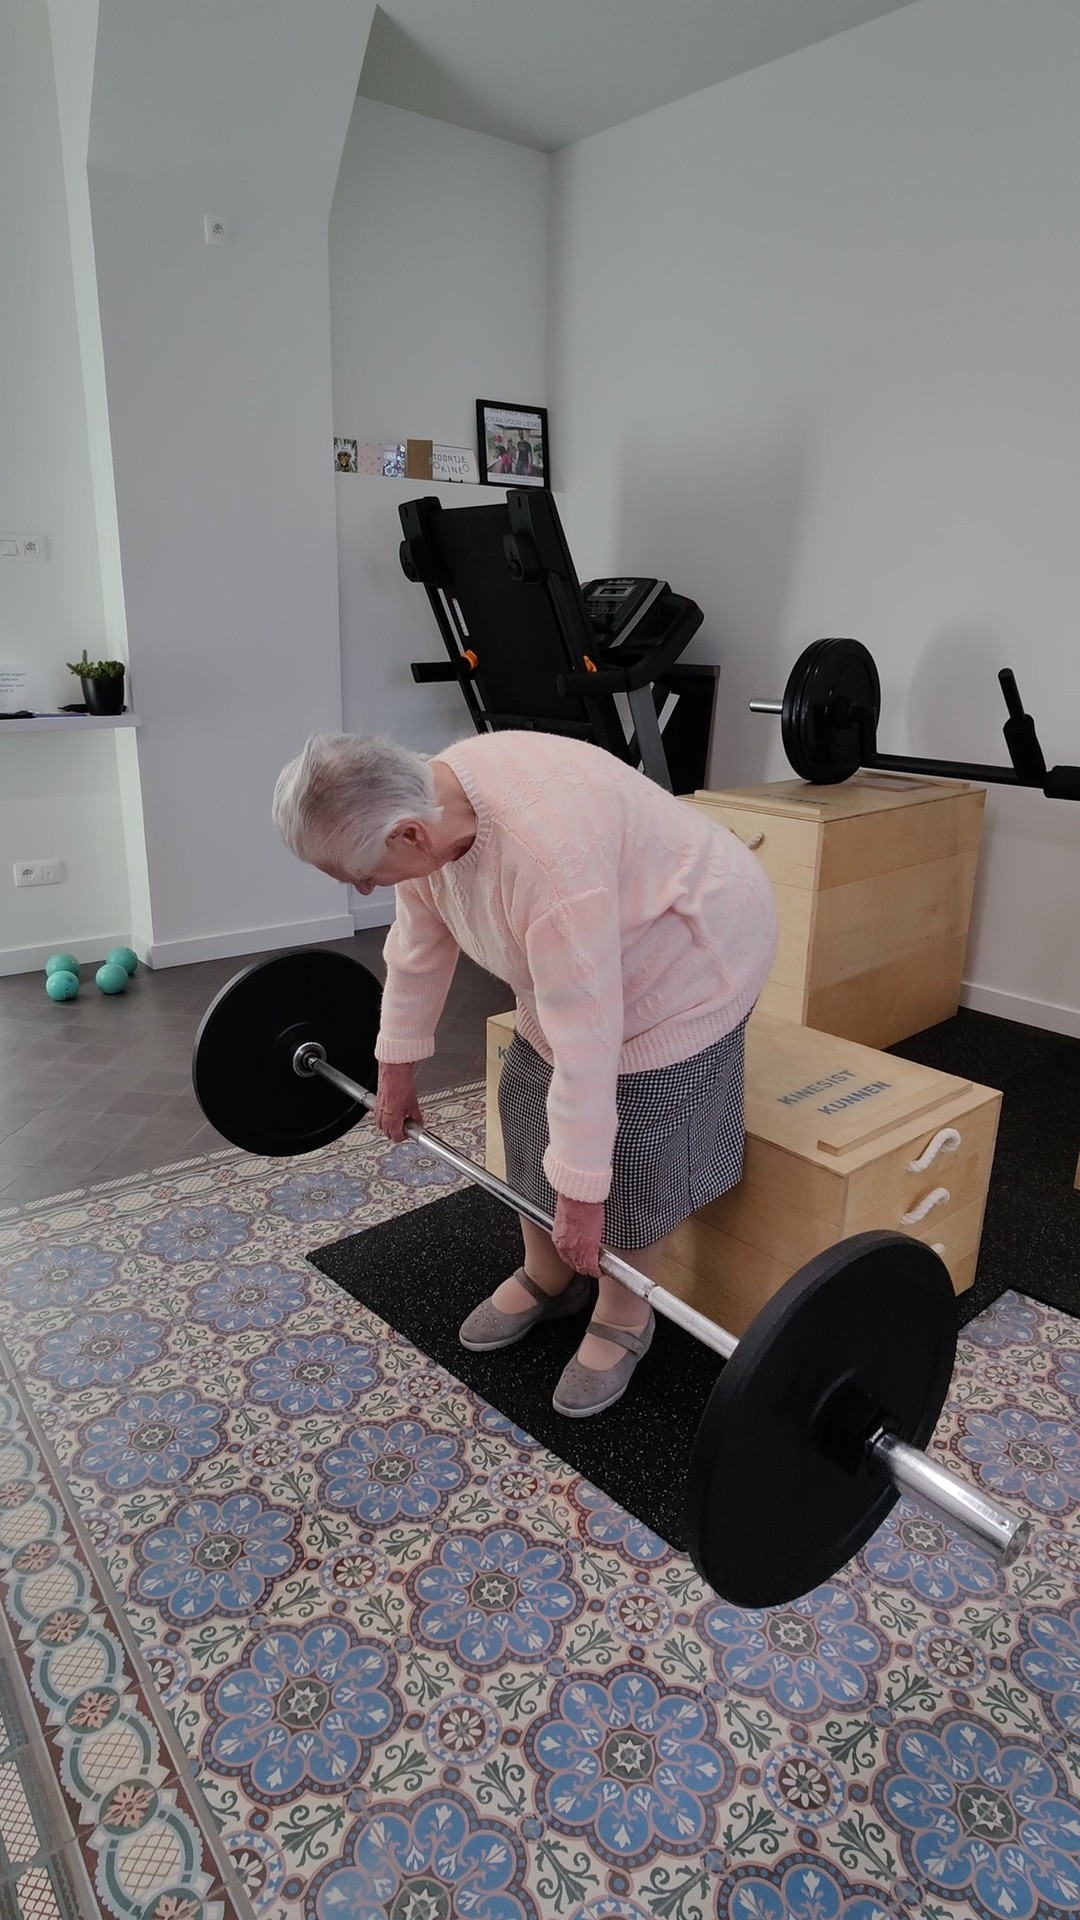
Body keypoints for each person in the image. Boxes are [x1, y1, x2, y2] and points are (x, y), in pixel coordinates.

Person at [272, 730, 778, 1416]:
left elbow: (589, 1042)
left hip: (689, 948)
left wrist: (583, 1195)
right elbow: (418, 945)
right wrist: (395, 1065)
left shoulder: (547, 859)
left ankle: (625, 1313)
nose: (363, 888)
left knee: (634, 1146)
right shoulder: (425, 812)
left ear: (410, 833)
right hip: (589, 951)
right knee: (523, 1097)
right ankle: (549, 1275)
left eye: (361, 873)